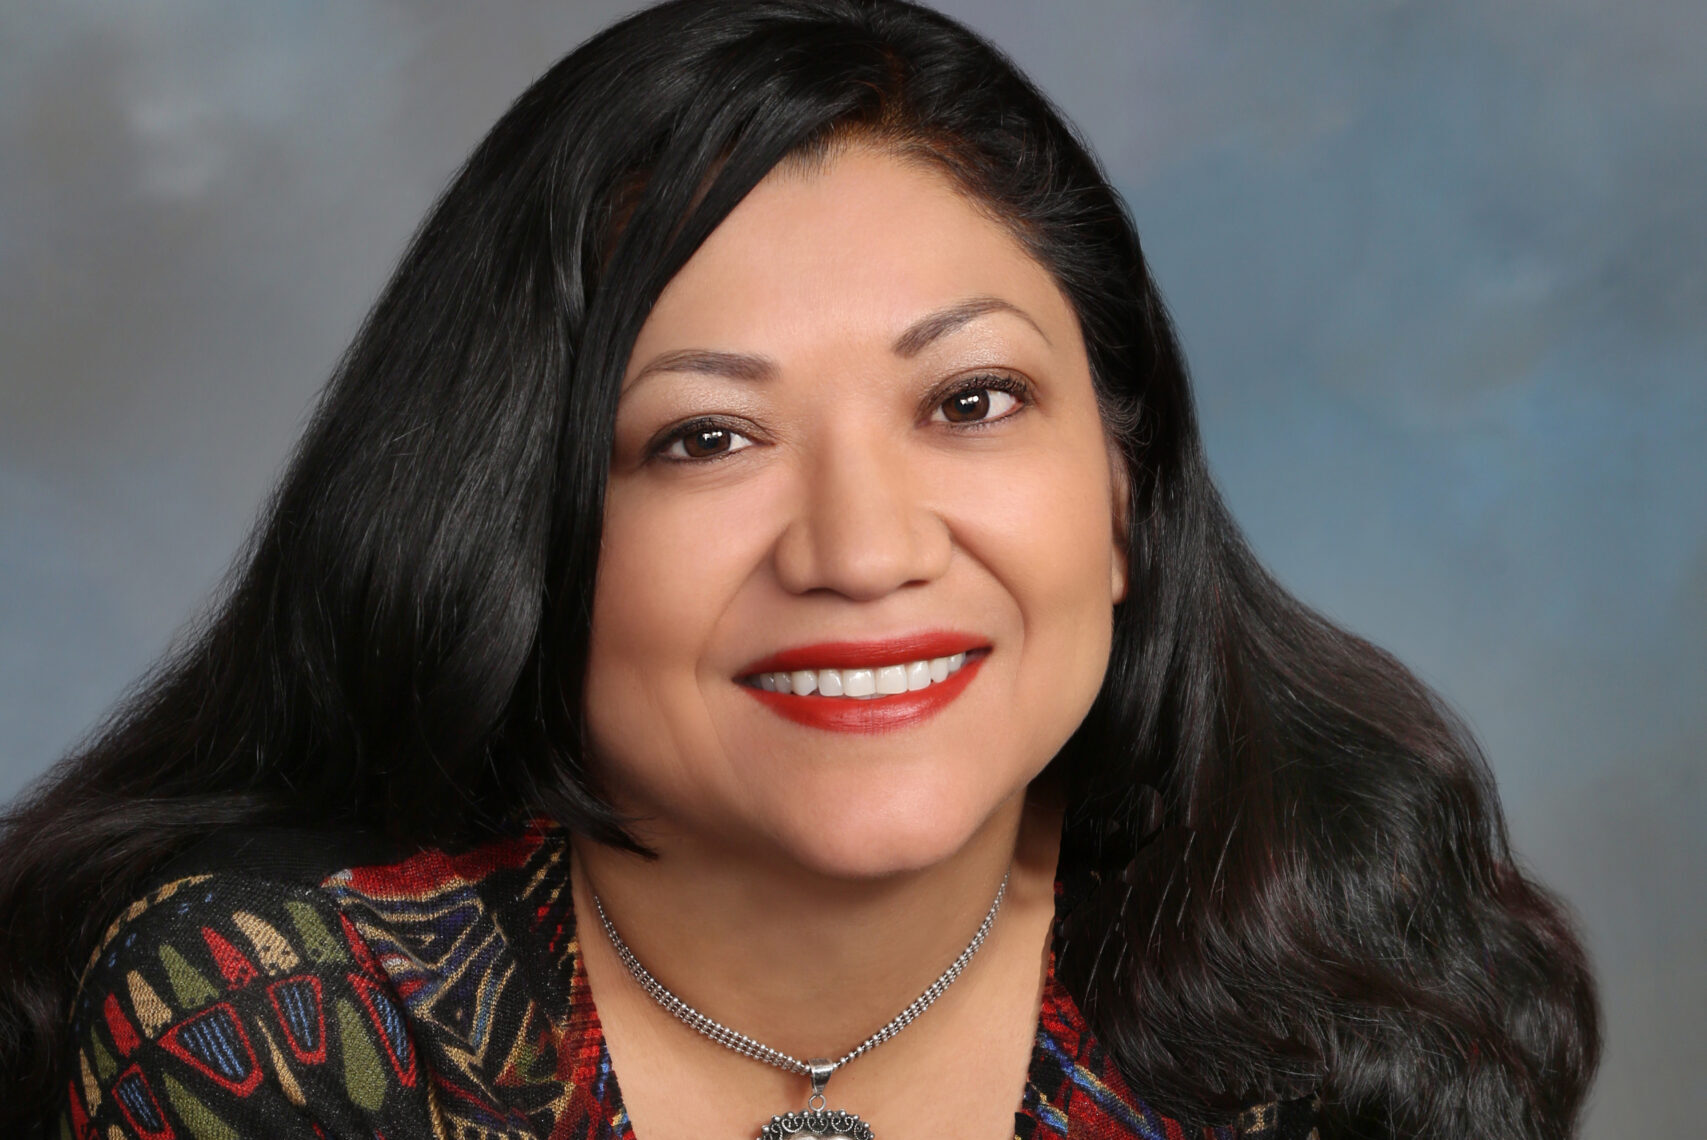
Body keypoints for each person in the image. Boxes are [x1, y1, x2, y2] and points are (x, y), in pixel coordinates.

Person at [0, 1, 1600, 1137]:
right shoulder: (279, 1019)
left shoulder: (1354, 958)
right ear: (524, 528)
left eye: (970, 402)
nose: (865, 551)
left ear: (1127, 491)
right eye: (705, 438)